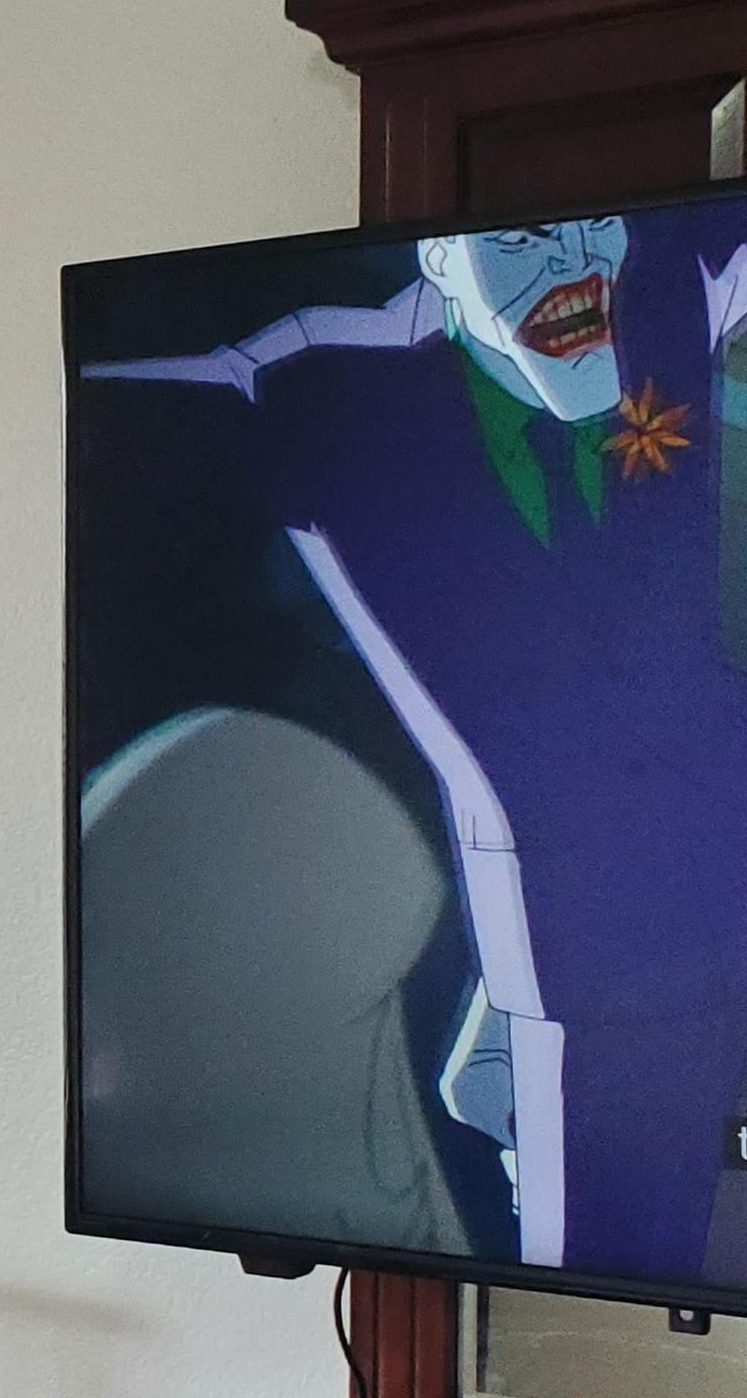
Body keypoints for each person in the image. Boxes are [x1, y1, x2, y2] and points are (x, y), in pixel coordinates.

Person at [82, 209, 747, 1287]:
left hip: (705, 855)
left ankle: (500, 1044)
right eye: (522, 244)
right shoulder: (323, 394)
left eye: (594, 238)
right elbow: (111, 414)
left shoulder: (669, 296)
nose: (573, 269)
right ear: (440, 264)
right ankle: (512, 1044)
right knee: (610, 1273)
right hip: (597, 947)